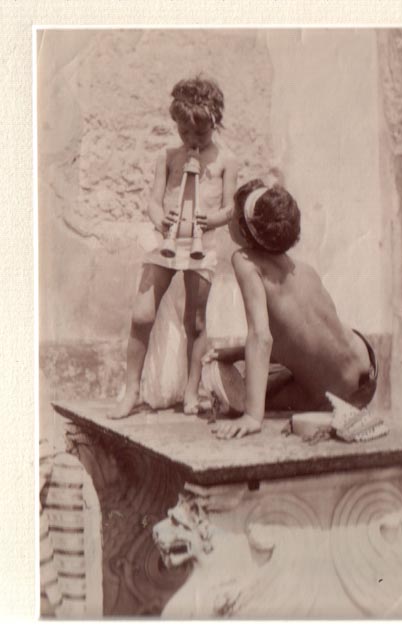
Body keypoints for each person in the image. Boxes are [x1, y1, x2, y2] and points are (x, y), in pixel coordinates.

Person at [206, 179, 378, 438]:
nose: (227, 218)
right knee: (268, 376)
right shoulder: (305, 271)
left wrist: (252, 416)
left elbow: (262, 337)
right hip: (367, 367)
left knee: (254, 393)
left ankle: (255, 408)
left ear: (244, 229)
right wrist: (236, 352)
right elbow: (301, 343)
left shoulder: (245, 261)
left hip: (334, 397)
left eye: (232, 213)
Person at [109, 76, 238, 419]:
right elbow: (153, 202)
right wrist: (159, 218)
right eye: (184, 132)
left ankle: (191, 391)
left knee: (195, 322)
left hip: (201, 243)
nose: (191, 140)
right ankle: (132, 390)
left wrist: (211, 220)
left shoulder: (226, 160)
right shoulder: (167, 156)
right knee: (142, 314)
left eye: (200, 134)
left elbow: (230, 208)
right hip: (165, 241)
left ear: (215, 122)